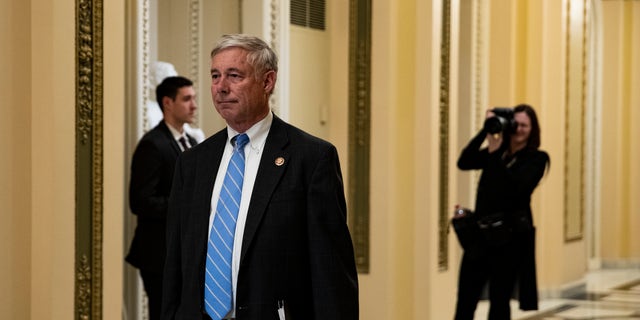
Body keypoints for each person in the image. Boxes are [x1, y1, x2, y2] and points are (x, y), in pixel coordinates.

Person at [161, 34, 359, 320]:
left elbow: (331, 272)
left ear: (267, 82)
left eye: (234, 75)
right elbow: (175, 264)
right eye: (215, 76)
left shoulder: (311, 159)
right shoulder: (193, 162)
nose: (221, 87)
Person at [454, 104, 550, 319]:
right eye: (516, 124)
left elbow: (515, 188)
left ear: (533, 129)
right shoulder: (495, 151)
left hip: (509, 240)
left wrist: (495, 154)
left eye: (525, 125)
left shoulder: (537, 159)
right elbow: (464, 161)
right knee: (466, 298)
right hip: (480, 237)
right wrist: (485, 131)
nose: (519, 129)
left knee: (499, 301)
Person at [126, 76, 199, 320]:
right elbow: (140, 201)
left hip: (186, 253)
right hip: (159, 255)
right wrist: (189, 206)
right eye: (187, 99)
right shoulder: (152, 145)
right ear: (167, 103)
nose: (194, 105)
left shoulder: (191, 141)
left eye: (194, 98)